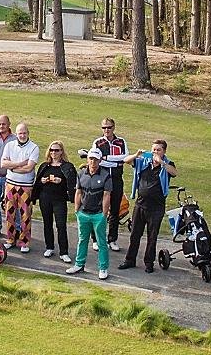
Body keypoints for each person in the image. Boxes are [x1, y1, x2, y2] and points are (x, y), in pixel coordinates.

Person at [121, 139, 176, 272]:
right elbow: (126, 160)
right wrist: (136, 155)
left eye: (158, 150)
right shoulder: (143, 162)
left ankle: (149, 263)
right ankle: (130, 260)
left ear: (164, 151)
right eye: (153, 150)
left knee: (152, 236)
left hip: (156, 208)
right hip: (140, 205)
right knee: (135, 234)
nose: (155, 152)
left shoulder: (167, 164)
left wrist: (162, 163)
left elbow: (174, 172)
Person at [67, 148, 112, 279]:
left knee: (101, 242)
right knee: (82, 240)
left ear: (100, 160)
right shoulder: (81, 174)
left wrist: (104, 214)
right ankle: (79, 264)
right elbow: (78, 192)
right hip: (83, 214)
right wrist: (76, 210)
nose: (93, 162)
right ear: (88, 159)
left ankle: (103, 268)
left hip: (98, 214)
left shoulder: (105, 176)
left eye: (96, 159)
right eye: (91, 159)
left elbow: (106, 195)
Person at [0, 122, 40, 253]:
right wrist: (18, 164)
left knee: (25, 215)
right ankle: (10, 239)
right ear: (16, 134)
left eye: (24, 133)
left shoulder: (34, 148)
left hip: (26, 186)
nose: (22, 135)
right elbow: (3, 163)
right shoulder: (10, 145)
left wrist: (12, 168)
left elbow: (29, 168)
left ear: (28, 133)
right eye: (20, 133)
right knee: (9, 213)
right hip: (10, 184)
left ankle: (24, 241)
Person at [35, 140, 77, 262]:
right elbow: (37, 183)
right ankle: (49, 247)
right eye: (52, 150)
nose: (54, 152)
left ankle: (64, 252)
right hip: (45, 198)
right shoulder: (44, 166)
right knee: (47, 223)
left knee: (61, 225)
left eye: (57, 150)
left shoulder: (67, 166)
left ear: (61, 152)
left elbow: (72, 183)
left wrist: (61, 181)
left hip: (59, 200)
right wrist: (42, 181)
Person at [91, 119, 129, 249]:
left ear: (114, 127)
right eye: (104, 128)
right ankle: (96, 239)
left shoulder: (121, 142)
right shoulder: (98, 142)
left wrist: (107, 158)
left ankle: (112, 239)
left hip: (117, 179)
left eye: (109, 127)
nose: (106, 130)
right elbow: (97, 160)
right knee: (99, 209)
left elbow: (125, 158)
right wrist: (114, 161)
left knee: (115, 209)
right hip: (102, 179)